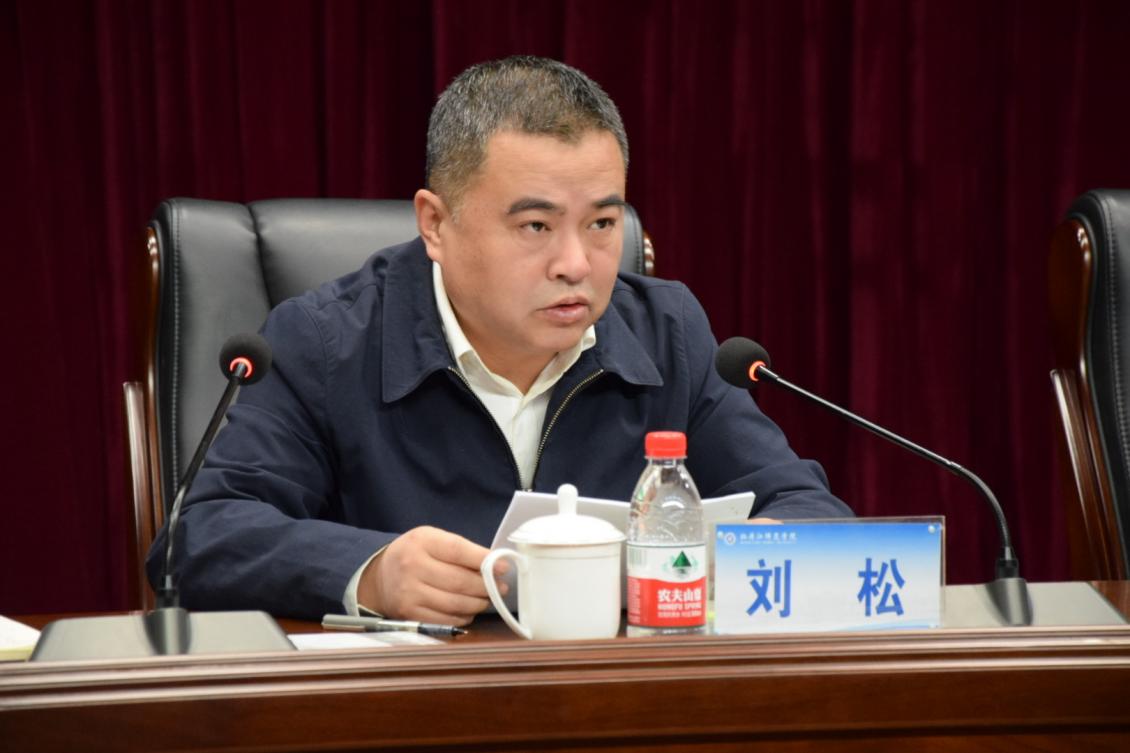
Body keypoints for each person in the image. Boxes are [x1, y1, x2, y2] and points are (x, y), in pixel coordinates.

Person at [146, 56, 852, 623]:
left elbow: (810, 514)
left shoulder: (669, 334)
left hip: (619, 706)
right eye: (535, 226)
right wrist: (369, 570)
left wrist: (725, 555)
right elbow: (198, 537)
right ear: (435, 224)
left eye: (602, 224)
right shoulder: (326, 343)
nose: (575, 263)